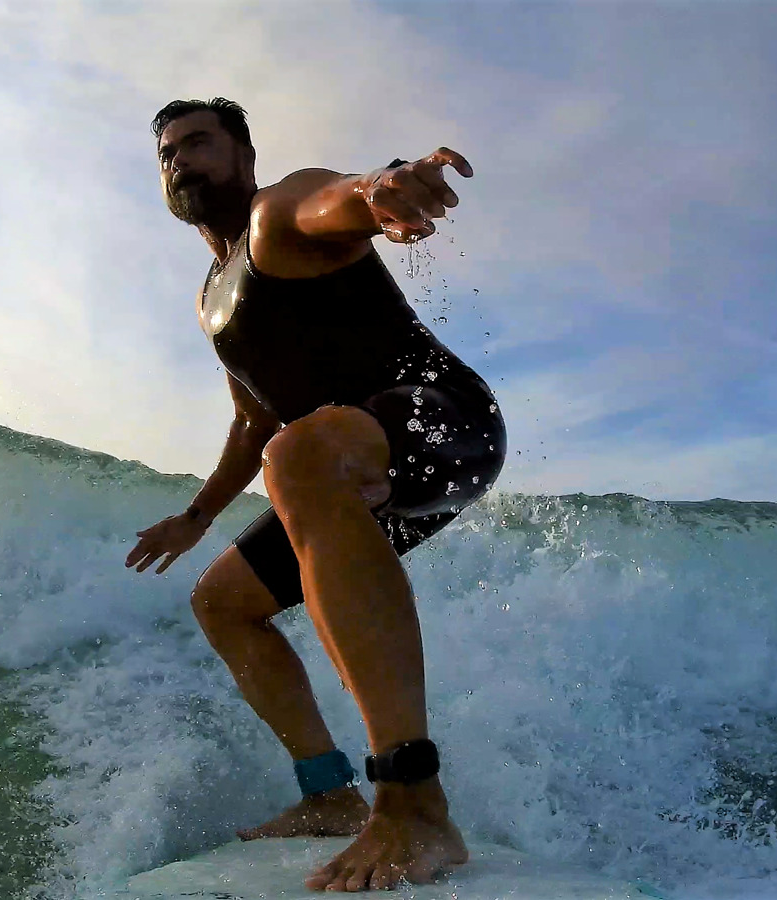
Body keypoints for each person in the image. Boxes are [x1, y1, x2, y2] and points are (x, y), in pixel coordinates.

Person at [125, 97, 505, 892]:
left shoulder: (276, 214)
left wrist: (386, 188)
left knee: (297, 454)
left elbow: (338, 198)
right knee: (222, 602)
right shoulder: (212, 300)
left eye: (198, 143)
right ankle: (326, 793)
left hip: (448, 424)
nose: (180, 161)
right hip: (341, 462)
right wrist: (196, 517)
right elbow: (250, 420)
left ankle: (412, 803)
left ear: (244, 156)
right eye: (167, 153)